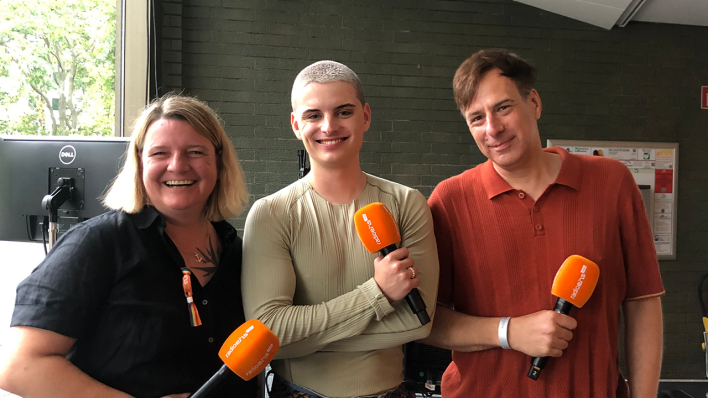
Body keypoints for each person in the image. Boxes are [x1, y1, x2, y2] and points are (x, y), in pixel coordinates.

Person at [421, 49, 664, 398]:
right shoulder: (450, 200)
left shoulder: (612, 182)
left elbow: (642, 300)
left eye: (503, 107)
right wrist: (509, 332)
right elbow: (427, 323)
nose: (492, 128)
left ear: (533, 102)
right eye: (476, 118)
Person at [0, 94, 256, 398]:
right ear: (139, 163)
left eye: (195, 151)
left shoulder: (239, 252)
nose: (178, 165)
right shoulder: (97, 244)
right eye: (160, 153)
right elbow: (18, 366)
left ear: (219, 162)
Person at [241, 60, 439, 398]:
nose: (329, 126)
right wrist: (377, 294)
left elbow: (418, 323)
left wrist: (304, 340)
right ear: (295, 124)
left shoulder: (407, 203)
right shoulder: (271, 214)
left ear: (365, 116)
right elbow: (270, 332)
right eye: (313, 115)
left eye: (343, 112)